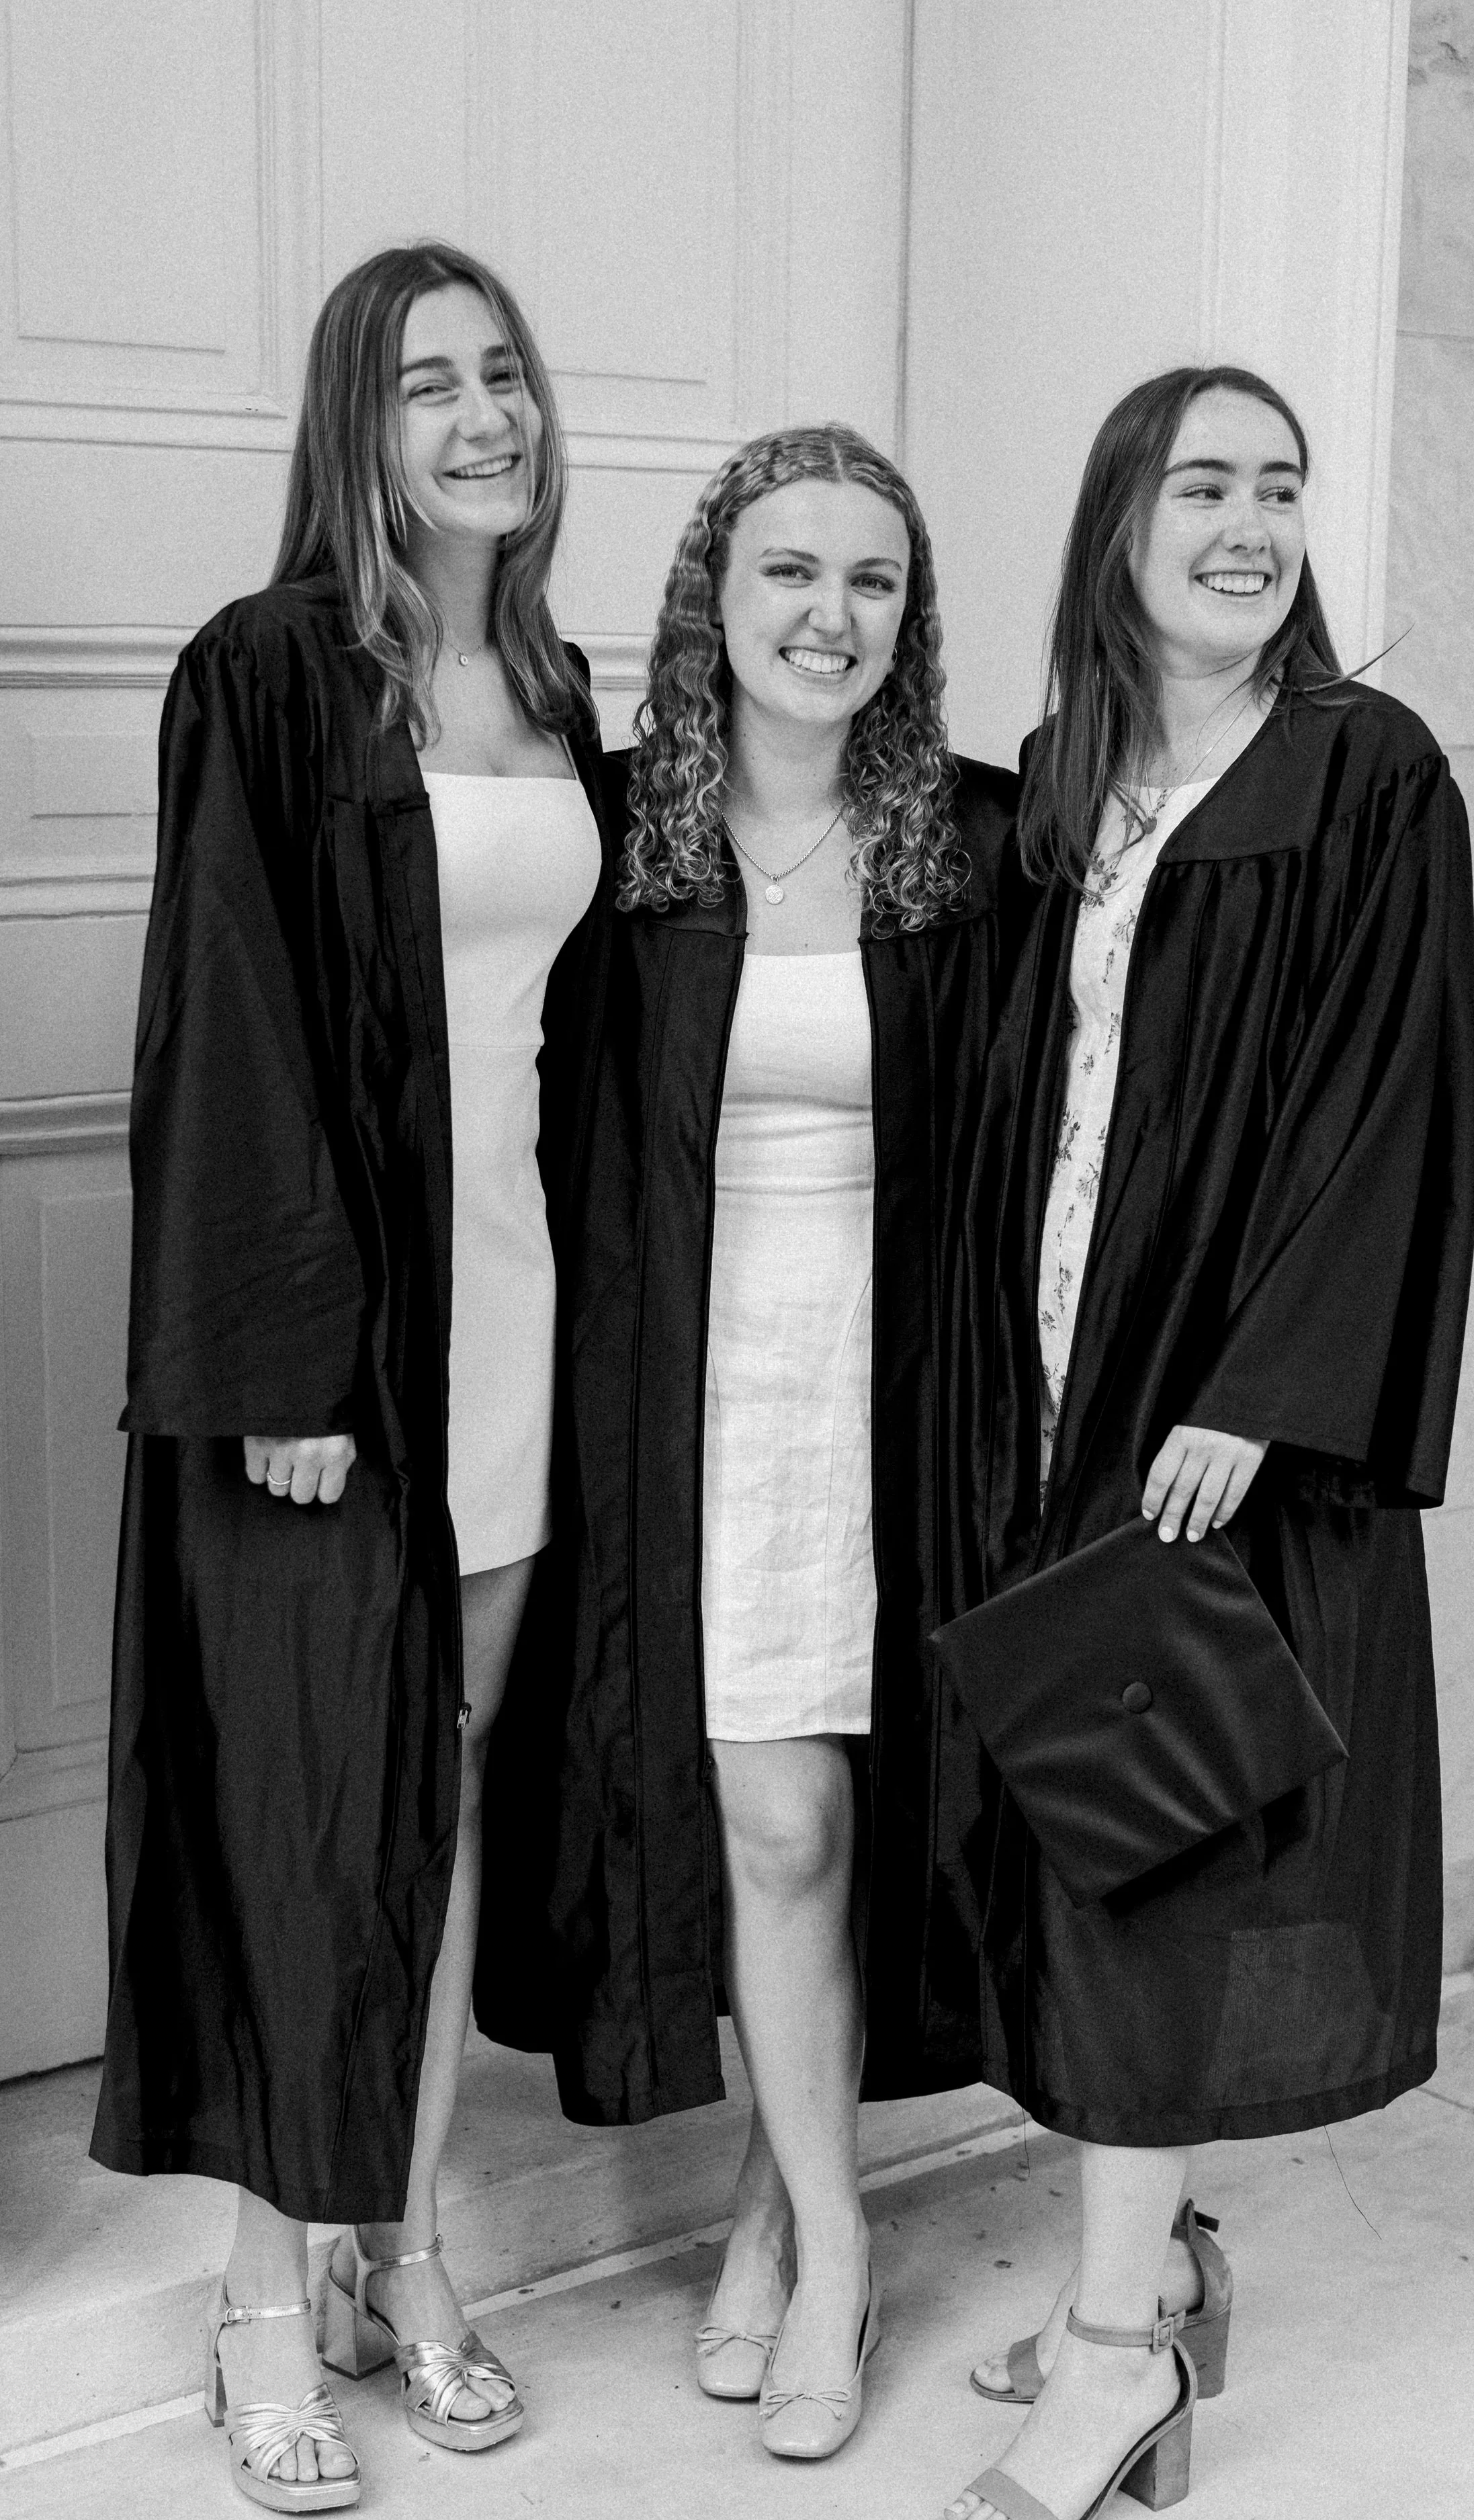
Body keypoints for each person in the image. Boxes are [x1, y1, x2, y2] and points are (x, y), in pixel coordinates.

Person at [90, 241, 613, 2511]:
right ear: (357, 428)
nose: (482, 415)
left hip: (519, 1315)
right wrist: (281, 1355)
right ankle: (254, 2296)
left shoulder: (556, 680)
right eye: (427, 385)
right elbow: (228, 1016)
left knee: (449, 1795)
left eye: (503, 373)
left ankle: (401, 2252)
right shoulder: (275, 669)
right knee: (313, 1812)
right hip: (335, 1351)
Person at [942, 366, 1474, 2520]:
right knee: (1096, 1834)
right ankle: (1151, 2263)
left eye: (1278, 487)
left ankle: (1112, 2360)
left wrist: (1259, 1389)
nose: (1247, 524)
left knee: (1149, 1866)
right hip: (1060, 1392)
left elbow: (1389, 1095)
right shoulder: (1068, 780)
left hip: (1216, 1419)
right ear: (1119, 523)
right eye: (1202, 486)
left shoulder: (1364, 767)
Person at [475, 424, 1019, 2465]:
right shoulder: (621, 837)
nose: (829, 614)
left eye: (873, 579)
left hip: (906, 1395)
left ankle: (787, 2221)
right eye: (789, 569)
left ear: (911, 618)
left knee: (849, 1817)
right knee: (774, 1821)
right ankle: (827, 2226)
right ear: (714, 591)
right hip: (690, 1397)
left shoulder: (976, 838)